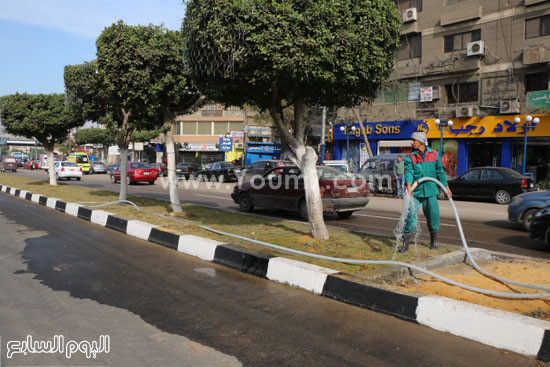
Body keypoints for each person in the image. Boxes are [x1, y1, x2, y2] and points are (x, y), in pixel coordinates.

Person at [399, 131, 452, 253]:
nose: (412, 142)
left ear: (421, 142)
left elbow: (440, 172)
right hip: (416, 192)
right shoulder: (410, 157)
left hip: (431, 190)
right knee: (411, 215)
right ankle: (405, 243)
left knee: (433, 215)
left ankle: (434, 241)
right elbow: (409, 172)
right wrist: (408, 186)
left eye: (414, 140)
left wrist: (446, 187)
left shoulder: (434, 154)